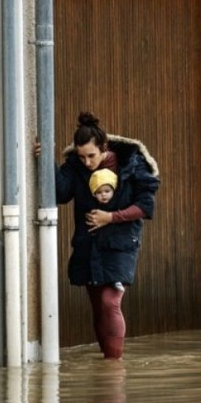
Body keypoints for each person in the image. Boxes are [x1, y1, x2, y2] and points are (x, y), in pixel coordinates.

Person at [55, 112, 160, 359]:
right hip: (88, 244)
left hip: (121, 245)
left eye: (91, 155)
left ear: (104, 148)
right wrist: (46, 160)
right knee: (98, 307)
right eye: (81, 157)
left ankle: (115, 368)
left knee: (110, 302)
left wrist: (110, 217)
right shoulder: (75, 166)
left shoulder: (132, 164)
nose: (87, 162)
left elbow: (146, 206)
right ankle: (106, 369)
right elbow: (61, 194)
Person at [88, 168, 124, 293]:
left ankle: (116, 280)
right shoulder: (92, 208)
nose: (103, 195)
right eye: (99, 192)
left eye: (107, 191)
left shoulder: (119, 206)